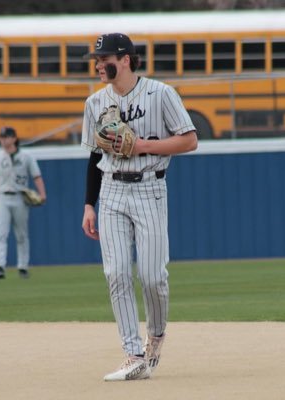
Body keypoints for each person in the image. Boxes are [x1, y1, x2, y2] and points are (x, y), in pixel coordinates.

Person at [81, 33, 198, 381]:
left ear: (126, 59)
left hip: (150, 188)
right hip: (112, 191)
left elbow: (190, 140)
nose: (99, 65)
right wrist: (89, 204)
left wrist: (143, 145)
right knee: (116, 274)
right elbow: (94, 155)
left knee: (152, 277)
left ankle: (156, 336)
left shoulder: (161, 94)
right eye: (96, 60)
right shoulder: (94, 102)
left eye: (104, 59)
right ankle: (133, 355)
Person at [0, 126, 46, 279]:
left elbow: (36, 176)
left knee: (21, 234)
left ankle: (23, 267)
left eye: (5, 137)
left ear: (13, 138)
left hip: (20, 197)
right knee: (0, 233)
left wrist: (42, 194)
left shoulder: (26, 156)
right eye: (1, 137)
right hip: (2, 197)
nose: (2, 140)